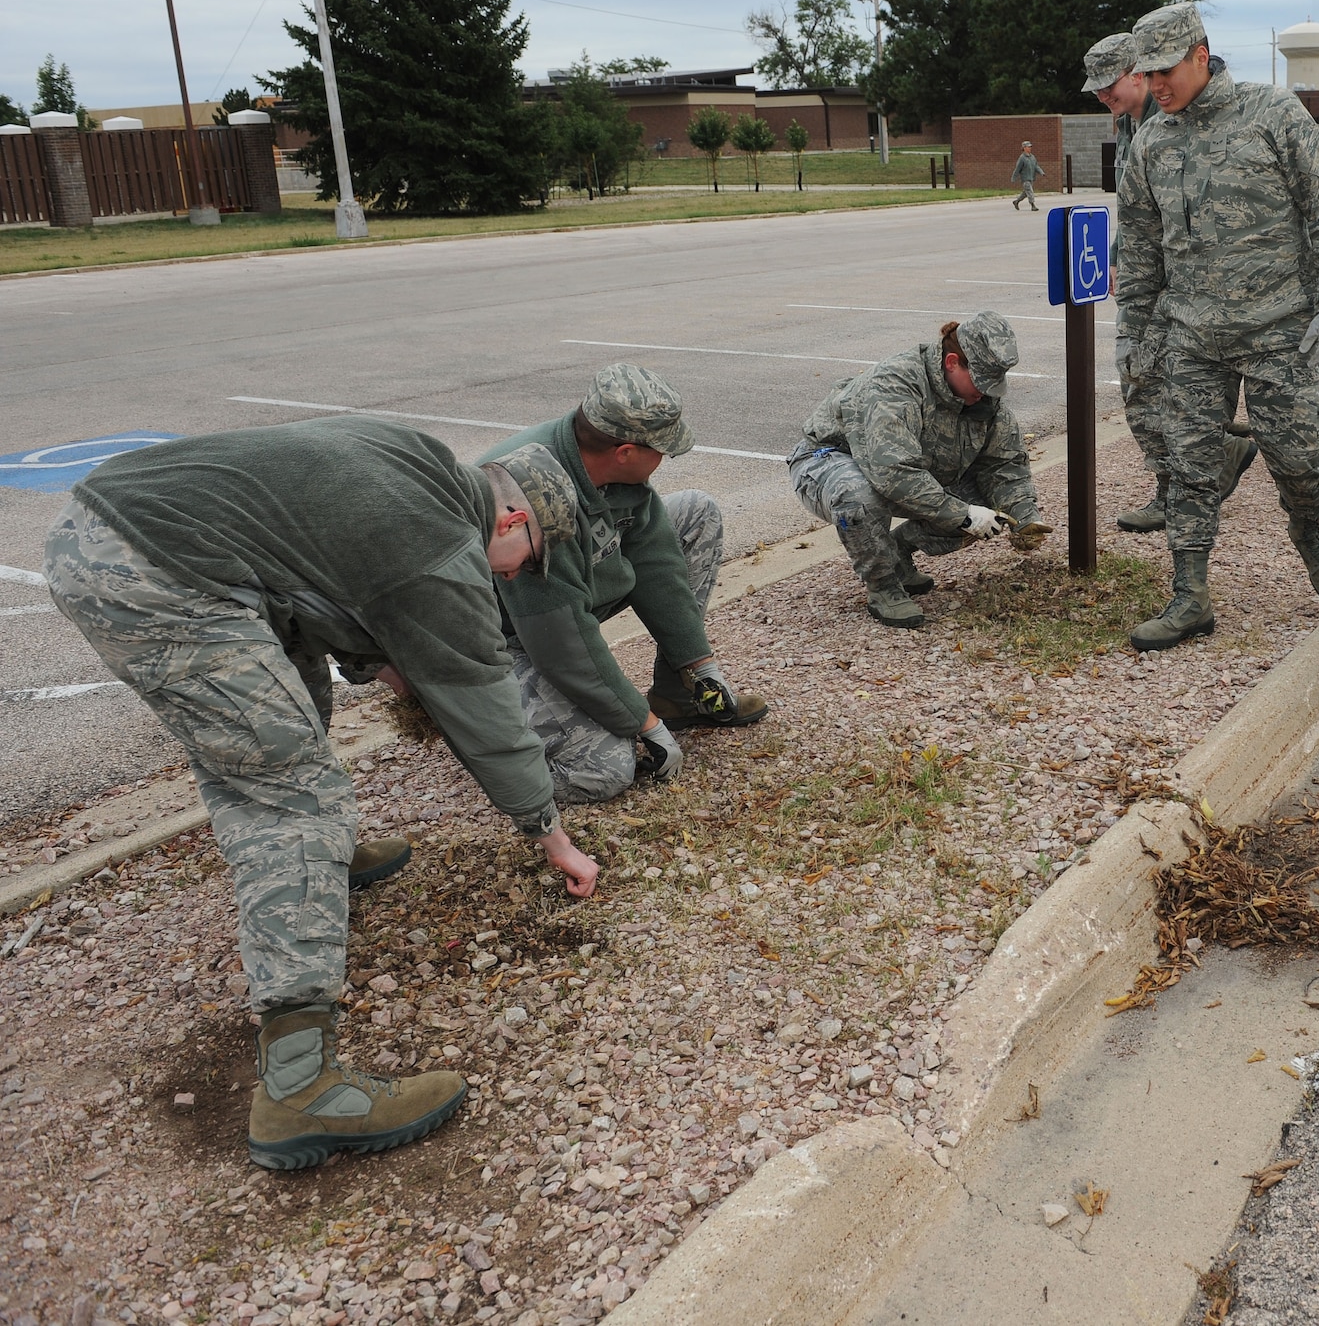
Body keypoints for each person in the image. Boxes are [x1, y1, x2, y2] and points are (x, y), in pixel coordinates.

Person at [43, 417, 598, 1170]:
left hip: (126, 527)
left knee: (279, 712)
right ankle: (301, 1084)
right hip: (153, 569)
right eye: (519, 564)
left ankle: (320, 867)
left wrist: (391, 664)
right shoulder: (440, 541)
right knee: (288, 790)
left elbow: (330, 584)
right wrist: (550, 831)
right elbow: (487, 707)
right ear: (512, 518)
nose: (509, 579)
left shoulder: (422, 468)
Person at [1118, 1, 1319, 651]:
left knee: (1298, 458)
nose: (1156, 86)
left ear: (1201, 55)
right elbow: (1140, 249)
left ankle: (1309, 532)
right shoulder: (1150, 142)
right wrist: (1135, 337)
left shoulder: (1273, 115)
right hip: (1193, 338)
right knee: (1189, 464)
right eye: (1146, 75)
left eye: (1166, 70)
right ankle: (1190, 595)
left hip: (1277, 332)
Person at [480, 363, 768, 804]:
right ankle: (489, 747)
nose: (666, 457)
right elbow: (561, 642)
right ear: (625, 451)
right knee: (606, 770)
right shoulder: (533, 496)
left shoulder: (610, 468)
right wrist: (643, 724)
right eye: (661, 448)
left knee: (696, 511)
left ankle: (680, 698)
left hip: (570, 601)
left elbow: (657, 562)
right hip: (506, 639)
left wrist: (698, 666)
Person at [1082, 29, 1257, 534]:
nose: (1102, 97)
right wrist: (1120, 257)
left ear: (1138, 73)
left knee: (1148, 381)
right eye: (1095, 90)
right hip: (1150, 279)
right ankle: (1205, 465)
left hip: (1181, 283)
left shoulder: (1174, 121)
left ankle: (1184, 484)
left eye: (1109, 86)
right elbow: (1136, 211)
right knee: (1147, 381)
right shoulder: (1130, 126)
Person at [789, 311, 1045, 630]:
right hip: (829, 460)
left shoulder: (983, 402)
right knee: (859, 496)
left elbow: (1004, 463)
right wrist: (964, 514)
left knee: (988, 507)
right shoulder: (896, 383)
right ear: (952, 362)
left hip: (909, 469)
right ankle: (883, 587)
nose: (988, 390)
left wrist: (1023, 514)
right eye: (980, 379)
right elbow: (893, 472)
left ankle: (898, 551)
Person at [1010, 141, 1044, 211]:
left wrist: (1041, 172)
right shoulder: (1022, 158)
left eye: (1030, 147)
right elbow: (1017, 169)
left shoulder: (1032, 157)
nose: (1030, 148)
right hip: (1025, 178)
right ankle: (1033, 205)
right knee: (1030, 191)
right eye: (1028, 147)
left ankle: (1016, 201)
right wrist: (1014, 177)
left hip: (1031, 178)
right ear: (1024, 148)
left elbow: (1036, 166)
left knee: (1026, 193)